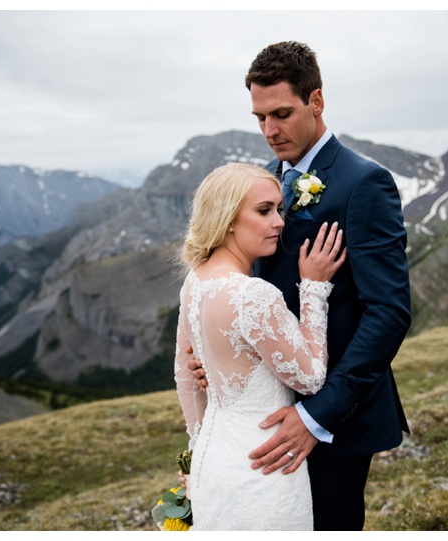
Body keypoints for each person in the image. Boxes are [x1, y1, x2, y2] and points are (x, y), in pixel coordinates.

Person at [189, 41, 412, 530]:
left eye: (282, 114)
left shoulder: (364, 183)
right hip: (262, 414)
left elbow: (389, 311)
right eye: (260, 117)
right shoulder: (263, 181)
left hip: (334, 422)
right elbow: (241, 291)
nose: (269, 131)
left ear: (316, 102)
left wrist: (317, 416)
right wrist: (219, 359)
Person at [173, 162, 346, 530]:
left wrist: (196, 445)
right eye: (264, 210)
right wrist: (314, 289)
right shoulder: (253, 295)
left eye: (279, 209)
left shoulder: (195, 281)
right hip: (265, 466)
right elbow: (312, 379)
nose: (280, 222)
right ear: (228, 218)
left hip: (212, 462)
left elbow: (184, 376)